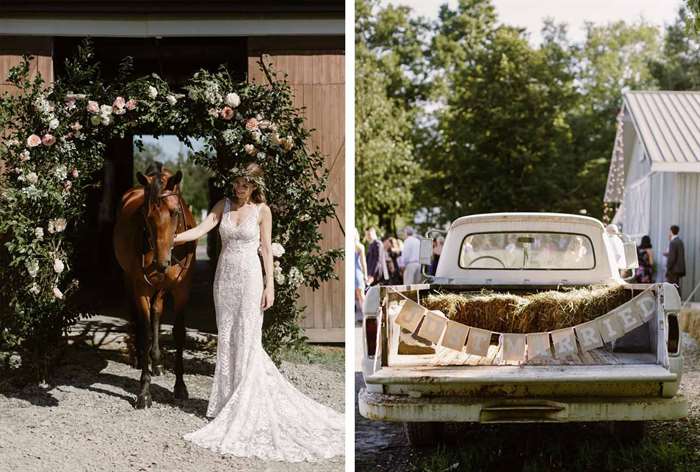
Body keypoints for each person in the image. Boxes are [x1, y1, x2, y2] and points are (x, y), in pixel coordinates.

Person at [172, 162, 343, 462]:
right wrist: (170, 239)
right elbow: (201, 229)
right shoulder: (222, 205)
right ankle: (226, 404)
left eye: (246, 184)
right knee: (226, 337)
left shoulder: (262, 211)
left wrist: (270, 286)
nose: (240, 188)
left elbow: (265, 248)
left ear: (254, 187)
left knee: (248, 338)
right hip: (224, 279)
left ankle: (246, 404)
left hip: (251, 278)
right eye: (237, 183)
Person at [664, 225, 686, 290]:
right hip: (679, 269)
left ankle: (674, 299)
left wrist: (668, 267)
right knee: (676, 286)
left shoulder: (673, 242)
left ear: (671, 231)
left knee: (672, 288)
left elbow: (672, 258)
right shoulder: (680, 241)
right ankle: (678, 299)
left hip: (673, 269)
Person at [355, 228, 368, 322]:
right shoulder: (359, 246)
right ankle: (366, 316)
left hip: (351, 272)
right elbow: (363, 263)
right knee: (361, 296)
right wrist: (365, 275)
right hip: (357, 272)